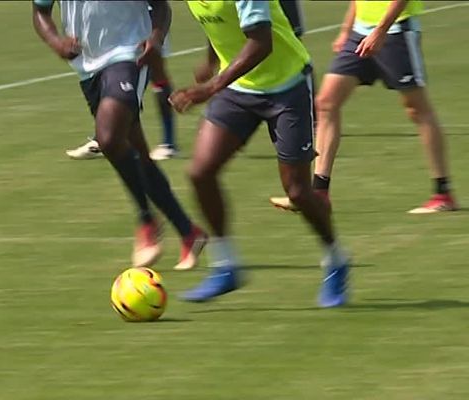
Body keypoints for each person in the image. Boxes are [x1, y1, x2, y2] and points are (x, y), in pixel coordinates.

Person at [170, 0, 350, 307]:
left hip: (288, 85)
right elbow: (221, 21)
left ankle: (336, 260)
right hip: (238, 87)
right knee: (200, 172)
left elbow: (261, 42)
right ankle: (225, 266)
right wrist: (211, 60)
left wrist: (211, 86)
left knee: (297, 191)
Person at [32, 0, 207, 270]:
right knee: (134, 150)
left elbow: (160, 6)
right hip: (86, 64)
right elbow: (40, 11)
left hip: (130, 52)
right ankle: (188, 232)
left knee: (109, 138)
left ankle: (146, 222)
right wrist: (56, 42)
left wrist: (156, 38)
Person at [270, 0, 458, 214]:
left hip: (396, 30)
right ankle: (319, 192)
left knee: (416, 108)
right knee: (326, 103)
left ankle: (443, 194)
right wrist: (346, 30)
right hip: (359, 33)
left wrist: (380, 31)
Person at [66, 18, 178, 161]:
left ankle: (168, 143)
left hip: (148, 23)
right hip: (119, 25)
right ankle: (102, 138)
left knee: (154, 74)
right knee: (114, 76)